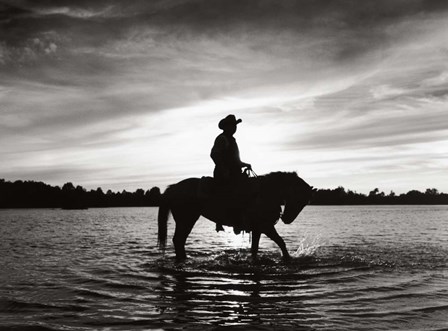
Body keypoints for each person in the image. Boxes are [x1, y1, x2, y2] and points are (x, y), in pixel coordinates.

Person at [210, 114, 251, 232]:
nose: (234, 128)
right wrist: (224, 169)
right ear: (226, 127)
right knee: (232, 193)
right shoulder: (222, 139)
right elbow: (214, 155)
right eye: (232, 126)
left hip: (234, 172)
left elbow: (235, 160)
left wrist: (245, 164)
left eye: (235, 126)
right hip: (224, 173)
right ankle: (232, 220)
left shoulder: (231, 140)